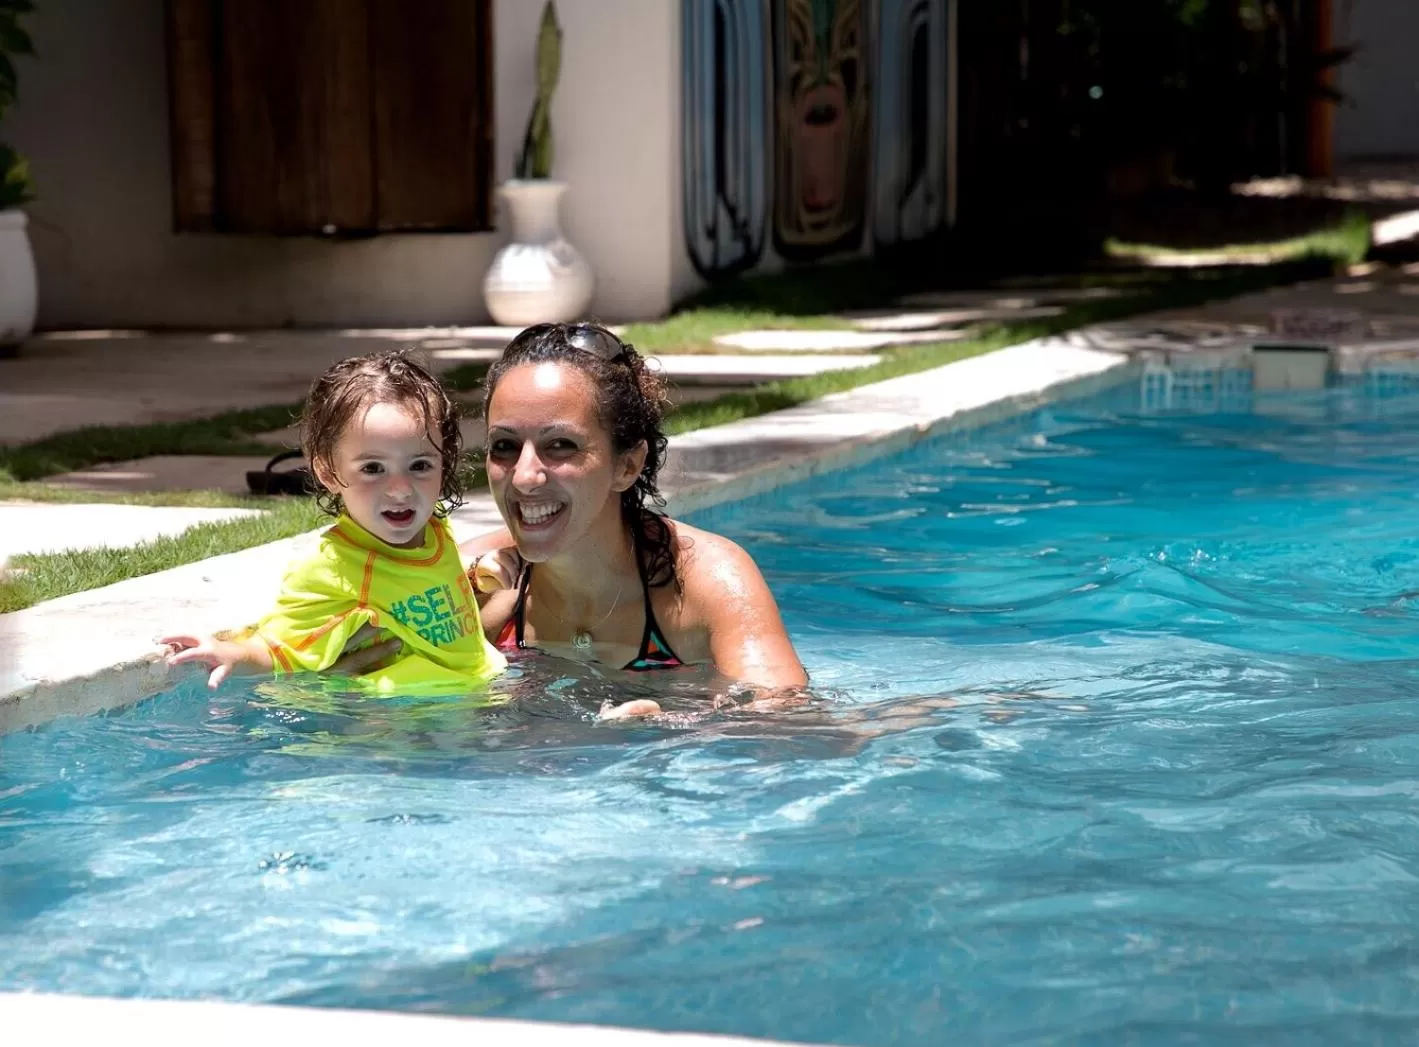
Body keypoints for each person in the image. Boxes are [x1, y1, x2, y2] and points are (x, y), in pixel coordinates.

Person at [463, 321, 809, 713]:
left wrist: (670, 729)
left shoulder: (706, 583)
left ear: (627, 465)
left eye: (561, 445)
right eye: (504, 446)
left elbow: (788, 724)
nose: (525, 477)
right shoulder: (468, 585)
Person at [161, 350, 506, 694]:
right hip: (405, 722)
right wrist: (233, 655)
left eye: (419, 466)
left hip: (478, 689)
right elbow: (280, 646)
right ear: (328, 470)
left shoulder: (434, 530)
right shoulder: (335, 567)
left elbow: (422, 578)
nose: (401, 490)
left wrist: (476, 570)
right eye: (373, 468)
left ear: (443, 462)